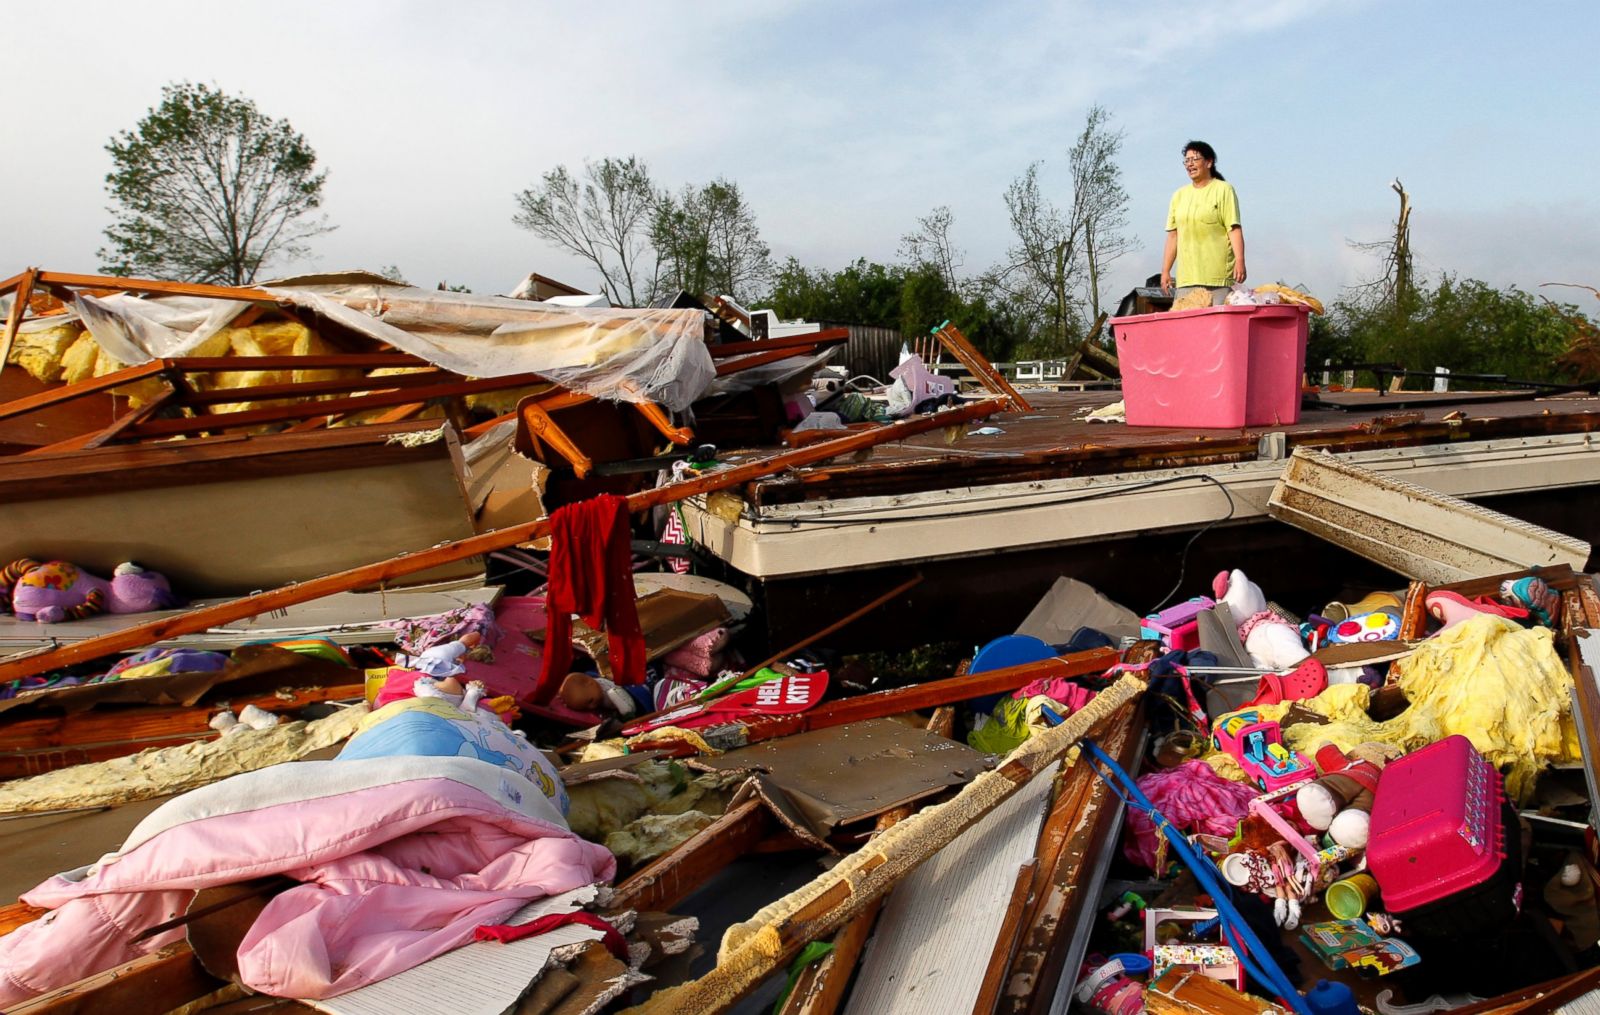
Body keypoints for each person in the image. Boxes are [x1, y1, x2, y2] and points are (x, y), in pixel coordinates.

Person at [1160, 140, 1245, 305]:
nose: (1189, 164)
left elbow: (1233, 229)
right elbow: (1173, 236)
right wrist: (1165, 271)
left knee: (1217, 328)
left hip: (1217, 278)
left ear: (1209, 162)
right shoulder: (1178, 196)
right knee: (1187, 329)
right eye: (1187, 160)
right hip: (1187, 280)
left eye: (1195, 159)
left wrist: (1240, 260)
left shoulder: (1224, 189)